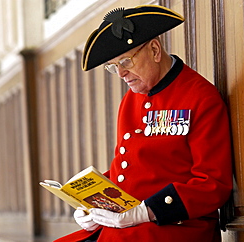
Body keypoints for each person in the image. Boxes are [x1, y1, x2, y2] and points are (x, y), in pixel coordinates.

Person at [55, 5, 232, 242]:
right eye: (112, 66)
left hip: (174, 228)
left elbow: (213, 184)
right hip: (126, 228)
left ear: (155, 50)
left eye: (126, 62)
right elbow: (131, 169)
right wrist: (91, 205)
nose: (120, 74)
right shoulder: (131, 98)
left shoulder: (200, 97)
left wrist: (147, 211)